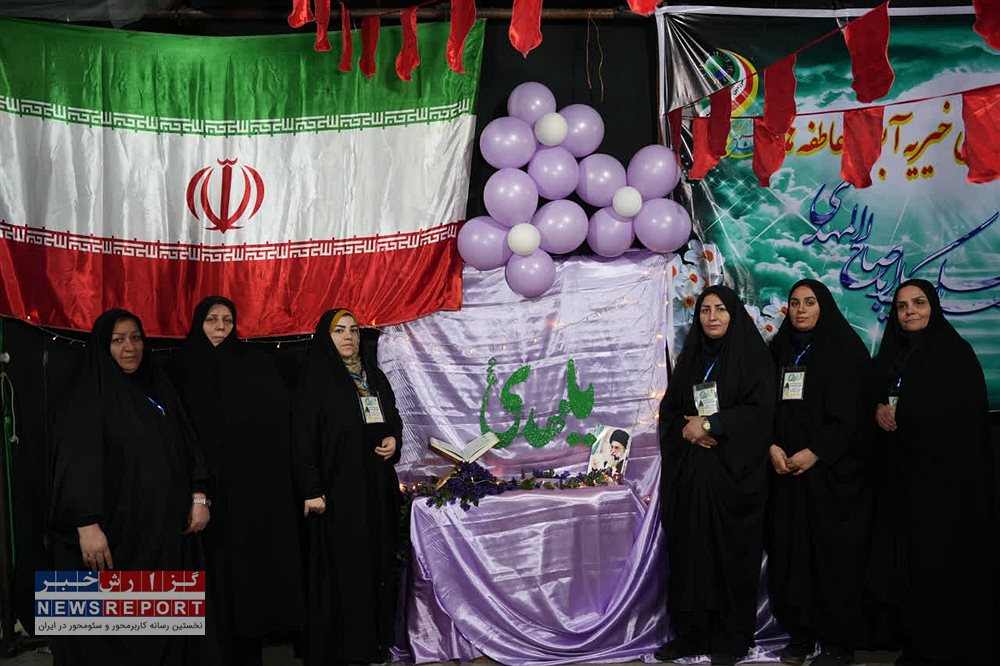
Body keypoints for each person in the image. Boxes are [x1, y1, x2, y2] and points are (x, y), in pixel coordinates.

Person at [49, 309, 209, 666]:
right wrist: (86, 523)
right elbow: (74, 463)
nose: (130, 347)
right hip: (109, 537)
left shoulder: (158, 385)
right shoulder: (85, 394)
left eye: (136, 338)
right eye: (118, 340)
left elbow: (188, 442)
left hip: (159, 536)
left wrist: (199, 495)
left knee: (159, 630)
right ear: (103, 346)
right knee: (103, 634)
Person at [170, 296, 304, 666]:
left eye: (227, 320)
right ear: (199, 322)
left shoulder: (253, 365)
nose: (220, 327)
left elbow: (273, 425)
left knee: (244, 574)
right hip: (197, 491)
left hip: (247, 492)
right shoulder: (179, 368)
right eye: (212, 319)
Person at [868, 279, 994, 665]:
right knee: (905, 568)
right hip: (901, 482)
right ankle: (915, 643)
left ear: (933, 307)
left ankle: (943, 646)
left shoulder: (955, 354)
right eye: (902, 306)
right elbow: (874, 396)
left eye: (919, 303)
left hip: (944, 487)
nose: (910, 312)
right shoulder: (893, 353)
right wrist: (877, 409)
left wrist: (905, 413)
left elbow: (961, 418)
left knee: (939, 568)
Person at [656, 285, 775, 666]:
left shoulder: (753, 357)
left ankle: (731, 639)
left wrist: (712, 424)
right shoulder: (690, 358)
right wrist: (686, 429)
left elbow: (760, 412)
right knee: (690, 556)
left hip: (734, 480)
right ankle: (690, 636)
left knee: (729, 558)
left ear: (733, 314)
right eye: (705, 310)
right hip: (692, 479)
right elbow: (670, 412)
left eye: (720, 309)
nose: (712, 317)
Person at [765, 280, 872, 666]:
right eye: (794, 303)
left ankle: (838, 642)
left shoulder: (845, 350)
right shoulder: (778, 349)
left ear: (823, 306)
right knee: (792, 556)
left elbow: (854, 414)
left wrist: (817, 452)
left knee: (832, 557)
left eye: (809, 302)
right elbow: (761, 404)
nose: (800, 310)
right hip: (786, 473)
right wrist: (771, 446)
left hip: (831, 477)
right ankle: (800, 634)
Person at [292, 308, 403, 666]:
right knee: (346, 568)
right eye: (339, 330)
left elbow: (393, 417)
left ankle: (375, 643)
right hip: (337, 492)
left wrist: (394, 439)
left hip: (374, 488)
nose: (348, 337)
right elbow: (301, 438)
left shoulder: (373, 375)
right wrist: (311, 489)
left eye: (353, 330)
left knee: (375, 564)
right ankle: (346, 648)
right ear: (326, 337)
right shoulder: (315, 378)